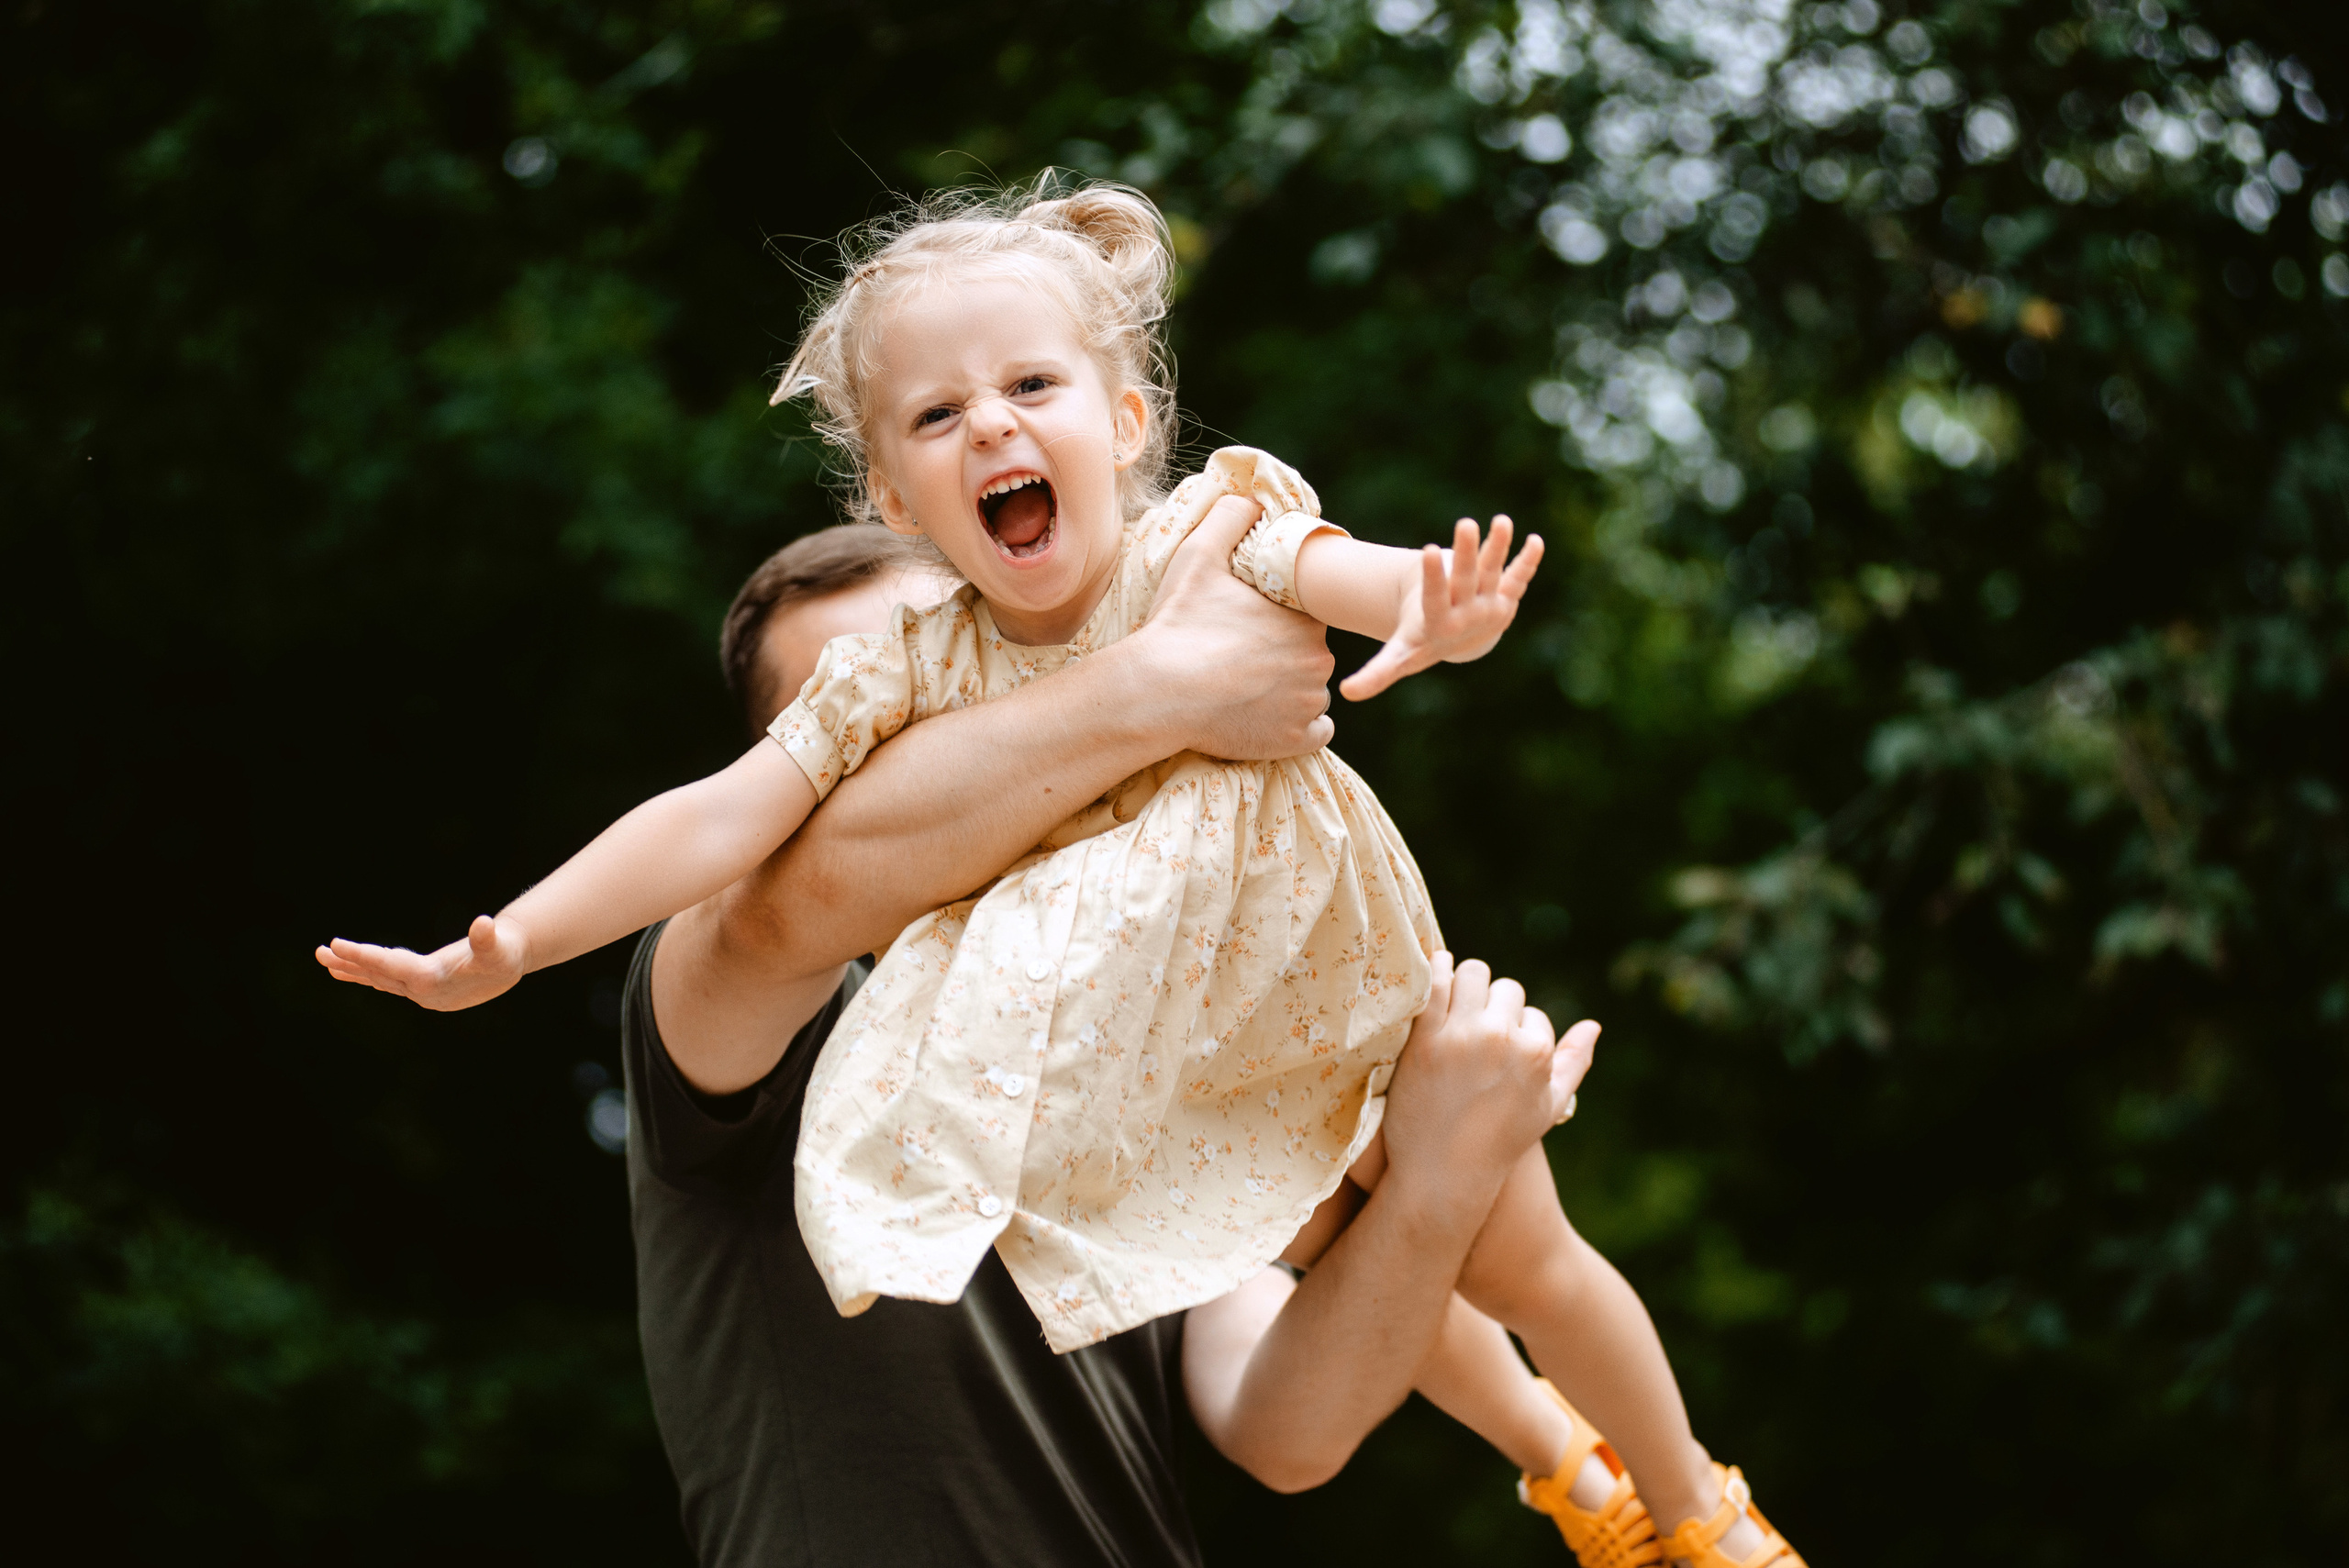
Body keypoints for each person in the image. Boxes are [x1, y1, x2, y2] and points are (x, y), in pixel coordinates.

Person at [320, 180, 1802, 1568]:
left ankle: (1648, 1491)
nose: (949, 744)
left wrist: (1443, 1163)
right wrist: (510, 942)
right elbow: (730, 834)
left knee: (1517, 1246)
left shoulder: (1103, 992)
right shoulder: (733, 1012)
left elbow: (1287, 1428)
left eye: (1029, 388)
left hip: (1283, 1002)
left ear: (1122, 414)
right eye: (886, 745)